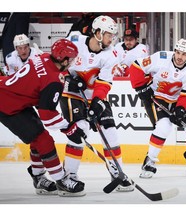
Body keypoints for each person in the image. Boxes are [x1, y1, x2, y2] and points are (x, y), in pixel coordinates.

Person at [0, 39, 86, 197]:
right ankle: (61, 180)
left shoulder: (44, 57)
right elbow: (47, 116)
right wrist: (69, 128)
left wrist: (68, 78)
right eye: (71, 59)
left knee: (37, 137)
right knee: (43, 140)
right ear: (64, 59)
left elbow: (44, 80)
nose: (72, 62)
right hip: (7, 105)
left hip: (11, 95)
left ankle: (39, 178)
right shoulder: (53, 81)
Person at [62, 15, 134, 193]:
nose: (112, 39)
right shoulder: (74, 40)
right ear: (98, 33)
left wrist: (95, 104)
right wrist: (65, 78)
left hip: (95, 95)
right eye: (109, 34)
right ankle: (68, 176)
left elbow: (103, 84)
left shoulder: (112, 54)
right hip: (71, 94)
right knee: (80, 129)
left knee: (109, 131)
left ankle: (118, 172)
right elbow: (56, 63)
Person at [129, 38, 186, 178]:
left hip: (176, 100)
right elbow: (135, 66)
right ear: (174, 51)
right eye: (178, 52)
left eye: (184, 54)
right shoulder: (161, 58)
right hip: (156, 98)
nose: (180, 57)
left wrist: (179, 110)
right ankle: (149, 161)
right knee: (163, 127)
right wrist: (141, 88)